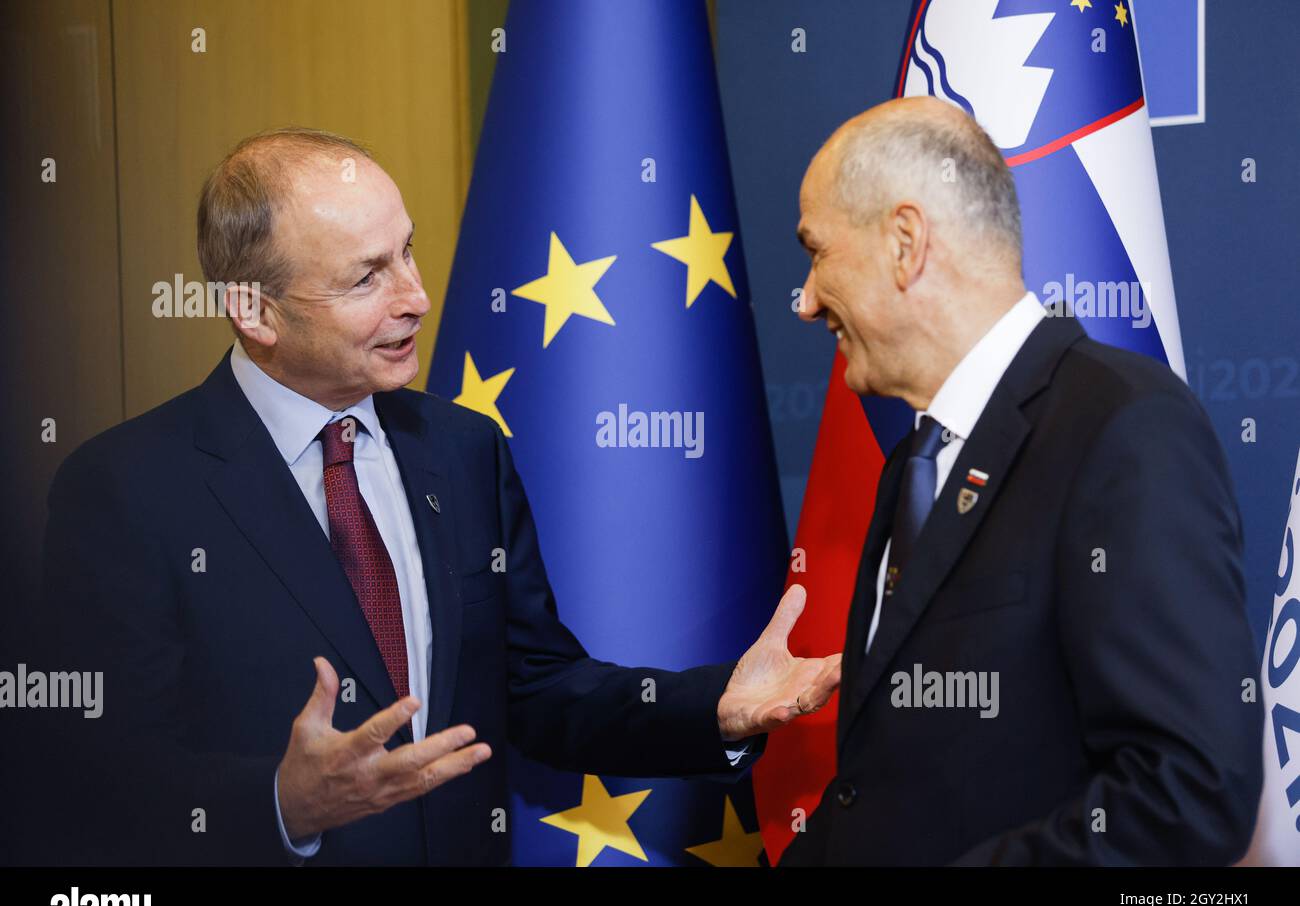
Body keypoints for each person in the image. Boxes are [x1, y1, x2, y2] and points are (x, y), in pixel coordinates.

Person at [40, 128, 841, 866]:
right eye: (367, 277)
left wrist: (714, 708)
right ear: (254, 311)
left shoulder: (461, 450)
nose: (415, 296)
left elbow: (536, 687)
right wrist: (283, 804)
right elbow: (102, 782)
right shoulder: (126, 490)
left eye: (408, 252)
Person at [780, 97, 1262, 865]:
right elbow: (889, 788)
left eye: (817, 252)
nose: (804, 300)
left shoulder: (1123, 428)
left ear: (905, 243)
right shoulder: (914, 462)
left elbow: (1189, 790)